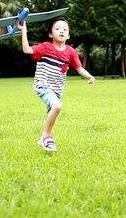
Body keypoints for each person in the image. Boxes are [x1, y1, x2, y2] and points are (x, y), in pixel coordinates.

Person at [18, 17, 95, 152]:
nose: (61, 31)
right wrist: (23, 30)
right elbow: (27, 50)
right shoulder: (45, 47)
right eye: (57, 28)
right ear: (50, 34)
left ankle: (46, 139)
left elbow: (79, 68)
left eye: (65, 29)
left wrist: (89, 76)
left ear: (69, 35)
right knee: (57, 106)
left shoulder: (71, 52)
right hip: (43, 85)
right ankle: (46, 136)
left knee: (53, 114)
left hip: (57, 90)